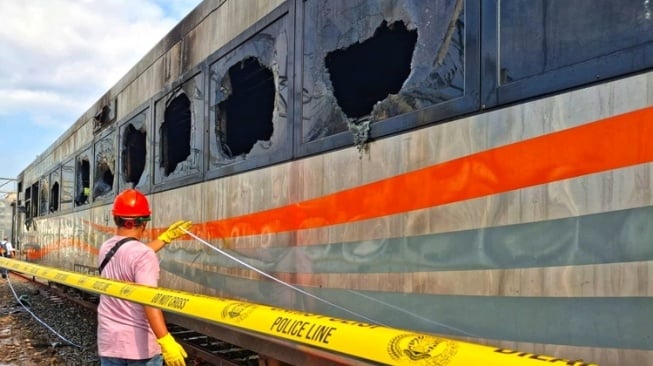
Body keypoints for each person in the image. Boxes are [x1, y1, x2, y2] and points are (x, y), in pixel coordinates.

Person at [97, 188, 192, 366]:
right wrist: (165, 340)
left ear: (117, 219)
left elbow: (132, 255)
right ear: (141, 223)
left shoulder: (106, 247)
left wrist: (166, 238)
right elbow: (149, 300)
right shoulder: (143, 255)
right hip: (139, 349)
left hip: (109, 342)